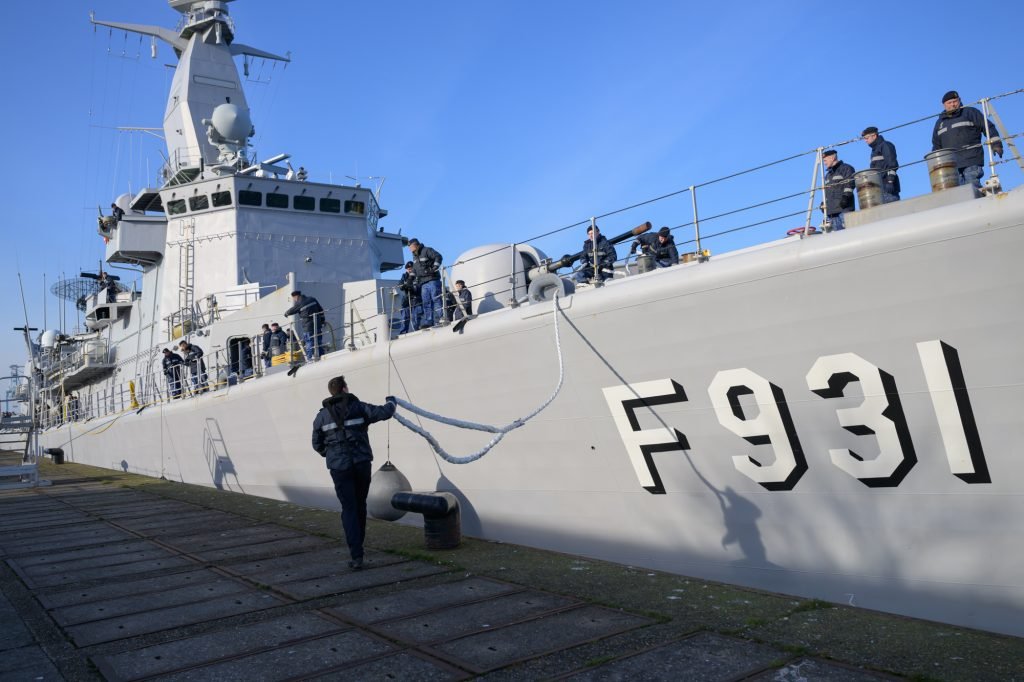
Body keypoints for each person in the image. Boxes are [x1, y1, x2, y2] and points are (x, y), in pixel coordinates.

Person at [311, 376, 397, 570]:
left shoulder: (322, 416)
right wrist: (391, 401)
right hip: (361, 464)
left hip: (339, 468)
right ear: (344, 389)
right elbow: (384, 413)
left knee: (348, 509)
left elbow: (317, 444)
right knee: (360, 505)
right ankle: (360, 547)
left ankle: (356, 554)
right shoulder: (358, 407)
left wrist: (330, 454)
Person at [932, 90, 1003, 188]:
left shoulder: (970, 112)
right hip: (952, 165)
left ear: (959, 101)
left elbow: (988, 127)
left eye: (955, 101)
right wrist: (935, 164)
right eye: (949, 103)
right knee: (958, 194)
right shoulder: (940, 123)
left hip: (971, 159)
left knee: (972, 187)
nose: (952, 105)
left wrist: (996, 143)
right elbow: (936, 145)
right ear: (944, 105)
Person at [408, 238, 444, 328]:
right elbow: (415, 269)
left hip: (432, 279)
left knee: (436, 299)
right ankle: (429, 321)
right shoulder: (415, 256)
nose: (409, 248)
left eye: (410, 246)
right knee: (426, 302)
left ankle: (441, 318)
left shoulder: (427, 250)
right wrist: (410, 278)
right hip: (423, 282)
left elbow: (438, 256)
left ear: (415, 245)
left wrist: (434, 268)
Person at [862, 126, 900, 203]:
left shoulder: (885, 145)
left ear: (874, 136)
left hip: (888, 188)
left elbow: (892, 164)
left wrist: (890, 181)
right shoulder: (875, 150)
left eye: (866, 138)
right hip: (879, 189)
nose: (865, 140)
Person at [284, 290, 326, 360]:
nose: (294, 300)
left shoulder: (299, 303)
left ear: (295, 297)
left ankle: (310, 359)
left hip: (308, 327)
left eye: (294, 299)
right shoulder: (312, 299)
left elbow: (291, 311)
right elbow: (320, 309)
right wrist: (322, 320)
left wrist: (286, 313)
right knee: (318, 341)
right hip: (318, 324)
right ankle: (321, 356)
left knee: (309, 342)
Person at [822, 150, 856, 231]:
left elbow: (850, 184)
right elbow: (827, 192)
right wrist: (824, 203)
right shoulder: (828, 175)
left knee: (849, 234)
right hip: (832, 213)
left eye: (825, 160)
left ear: (832, 158)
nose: (824, 163)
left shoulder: (846, 168)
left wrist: (845, 197)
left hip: (844, 210)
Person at [396, 261, 421, 334]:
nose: (409, 270)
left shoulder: (417, 275)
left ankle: (416, 329)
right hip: (407, 299)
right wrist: (405, 286)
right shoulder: (404, 276)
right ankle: (403, 331)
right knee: (405, 316)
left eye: (411, 268)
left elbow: (419, 286)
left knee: (415, 316)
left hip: (416, 298)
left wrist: (412, 286)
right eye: (408, 269)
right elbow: (400, 285)